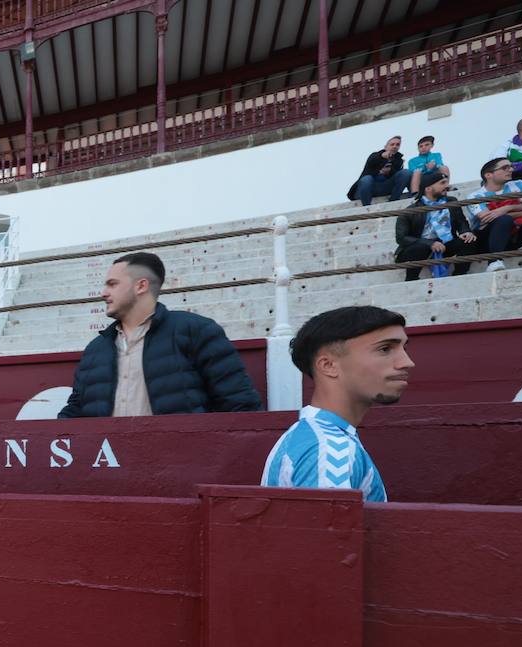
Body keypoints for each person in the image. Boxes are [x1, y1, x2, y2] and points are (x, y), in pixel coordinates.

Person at [57, 252, 261, 418]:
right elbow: (75, 413)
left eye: (112, 284)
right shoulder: (96, 349)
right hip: (108, 465)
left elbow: (241, 406)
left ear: (141, 286)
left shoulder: (196, 331)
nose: (103, 293)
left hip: (180, 463)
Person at [262, 306, 413, 502]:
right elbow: (324, 532)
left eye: (404, 349)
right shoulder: (329, 449)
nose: (407, 362)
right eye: (385, 349)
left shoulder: (316, 437)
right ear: (328, 365)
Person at [393, 170, 479, 281]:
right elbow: (401, 238)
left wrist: (465, 232)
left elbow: (461, 222)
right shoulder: (411, 210)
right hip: (419, 247)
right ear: (428, 189)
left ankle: (459, 274)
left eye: (446, 182)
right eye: (442, 183)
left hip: (445, 243)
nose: (447, 186)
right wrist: (430, 243)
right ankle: (411, 279)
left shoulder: (452, 202)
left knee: (469, 240)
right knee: (420, 248)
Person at [464, 157, 522, 272]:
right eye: (505, 167)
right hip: (486, 242)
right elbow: (487, 217)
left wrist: (507, 208)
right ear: (488, 175)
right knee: (504, 220)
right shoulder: (475, 196)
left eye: (511, 166)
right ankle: (494, 261)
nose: (510, 170)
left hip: (513, 237)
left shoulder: (520, 184)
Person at [348, 136, 410, 206]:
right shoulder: (375, 155)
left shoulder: (399, 161)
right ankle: (367, 207)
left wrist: (388, 172)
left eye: (397, 144)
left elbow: (398, 180)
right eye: (392, 144)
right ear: (386, 147)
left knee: (406, 172)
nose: (395, 146)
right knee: (366, 179)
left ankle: (393, 202)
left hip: (385, 187)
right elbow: (371, 161)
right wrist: (382, 157)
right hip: (366, 189)